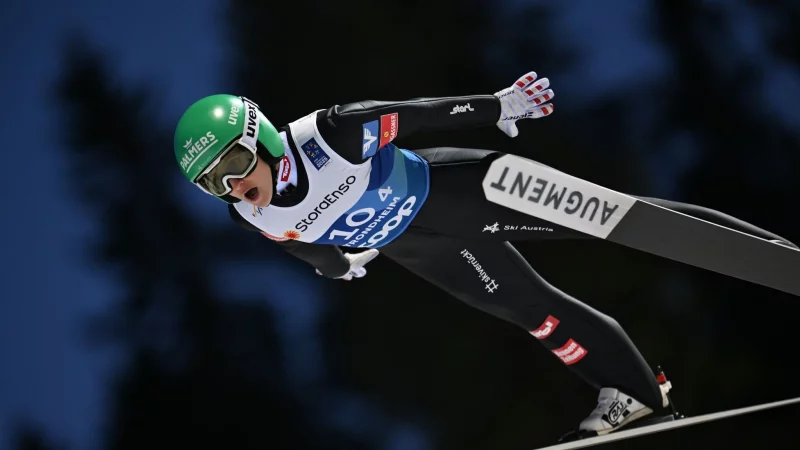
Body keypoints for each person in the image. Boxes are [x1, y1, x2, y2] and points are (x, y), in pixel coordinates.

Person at [172, 71, 796, 441]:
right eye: (211, 183)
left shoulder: (331, 135)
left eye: (229, 165)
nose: (230, 186)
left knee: (620, 218)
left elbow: (421, 116)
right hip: (420, 249)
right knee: (536, 314)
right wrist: (339, 264)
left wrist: (502, 106)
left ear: (261, 137)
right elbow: (306, 249)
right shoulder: (250, 212)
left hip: (460, 195)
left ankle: (777, 254)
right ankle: (630, 389)